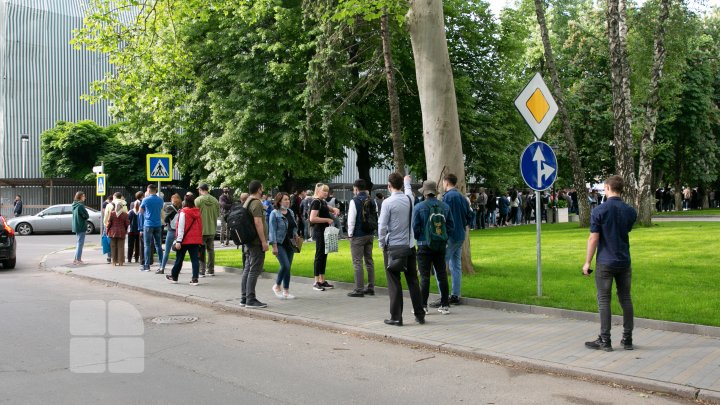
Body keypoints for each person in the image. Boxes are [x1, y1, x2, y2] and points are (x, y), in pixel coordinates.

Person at [583, 175, 637, 352]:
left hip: (605, 261)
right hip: (624, 260)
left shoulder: (599, 210)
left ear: (607, 187)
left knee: (604, 300)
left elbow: (593, 238)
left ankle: (605, 340)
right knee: (626, 298)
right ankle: (627, 339)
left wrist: (587, 262)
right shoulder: (630, 211)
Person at [378, 173, 425, 326]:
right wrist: (407, 182)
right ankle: (420, 314)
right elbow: (409, 191)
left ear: (389, 186)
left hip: (393, 248)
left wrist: (381, 244)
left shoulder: (387, 203)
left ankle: (396, 317)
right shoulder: (409, 199)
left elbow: (382, 226)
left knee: (394, 282)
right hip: (410, 245)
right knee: (413, 280)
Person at [413, 180, 453, 315]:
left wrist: (421, 237)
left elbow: (415, 227)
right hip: (440, 245)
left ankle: (423, 306)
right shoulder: (445, 207)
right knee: (441, 275)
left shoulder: (419, 207)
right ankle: (445, 305)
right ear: (435, 192)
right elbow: (450, 226)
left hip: (424, 245)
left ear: (424, 193)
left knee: (424, 276)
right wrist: (443, 238)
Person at [437, 173, 471, 307]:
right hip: (460, 234)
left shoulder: (447, 198)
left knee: (440, 265)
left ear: (445, 182)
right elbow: (470, 215)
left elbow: (443, 217)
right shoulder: (462, 197)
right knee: (455, 265)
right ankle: (455, 295)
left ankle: (443, 297)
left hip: (450, 236)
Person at [240, 180, 270, 308]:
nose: (262, 190)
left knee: (247, 268)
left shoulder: (247, 201)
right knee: (254, 269)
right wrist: (264, 241)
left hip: (248, 240)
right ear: (259, 189)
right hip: (256, 241)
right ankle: (251, 299)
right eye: (262, 188)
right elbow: (258, 222)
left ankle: (244, 297)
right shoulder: (257, 203)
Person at [346, 179, 376, 297]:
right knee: (369, 261)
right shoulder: (371, 200)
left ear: (356, 189)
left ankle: (359, 289)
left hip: (358, 235)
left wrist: (349, 234)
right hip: (369, 233)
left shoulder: (355, 201)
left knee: (357, 261)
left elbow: (351, 220)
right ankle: (370, 287)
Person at [308, 183, 340, 291]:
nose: (326, 193)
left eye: (327, 191)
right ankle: (316, 281)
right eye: (324, 191)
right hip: (320, 231)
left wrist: (334, 209)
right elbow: (312, 218)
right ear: (318, 191)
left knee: (324, 254)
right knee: (319, 255)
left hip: (325, 231)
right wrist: (327, 220)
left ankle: (322, 280)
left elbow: (327, 207)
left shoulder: (322, 201)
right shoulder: (316, 202)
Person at [166, 194, 203, 285]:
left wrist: (178, 241)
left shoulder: (183, 212)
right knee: (195, 259)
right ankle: (195, 279)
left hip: (184, 240)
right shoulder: (197, 212)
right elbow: (200, 227)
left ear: (184, 202)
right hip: (195, 240)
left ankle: (174, 277)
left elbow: (181, 227)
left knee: (179, 259)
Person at [268, 193, 298, 300]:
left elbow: (294, 226)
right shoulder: (274, 214)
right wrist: (274, 246)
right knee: (285, 265)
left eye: (288, 199)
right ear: (279, 201)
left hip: (290, 243)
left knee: (288, 268)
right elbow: (272, 231)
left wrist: (295, 234)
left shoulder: (290, 212)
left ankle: (286, 291)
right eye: (285, 199)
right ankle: (277, 285)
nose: (288, 201)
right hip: (279, 243)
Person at [195, 184, 220, 277]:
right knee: (211, 250)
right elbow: (218, 214)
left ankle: (202, 271)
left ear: (201, 190)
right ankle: (211, 270)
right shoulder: (215, 200)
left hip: (201, 229)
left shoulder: (198, 200)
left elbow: (194, 214)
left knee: (201, 250)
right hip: (212, 228)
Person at [139, 184, 164, 272]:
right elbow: (161, 210)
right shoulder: (160, 200)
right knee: (158, 245)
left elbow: (140, 212)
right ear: (155, 190)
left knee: (147, 245)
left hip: (148, 224)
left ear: (148, 190)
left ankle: (147, 266)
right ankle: (161, 264)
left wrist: (146, 214)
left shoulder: (145, 200)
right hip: (158, 224)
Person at [158, 193, 182, 273]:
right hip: (179, 232)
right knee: (178, 250)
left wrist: (167, 222)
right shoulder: (181, 208)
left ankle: (162, 268)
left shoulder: (169, 208)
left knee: (167, 250)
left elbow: (165, 219)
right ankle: (177, 268)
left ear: (172, 199)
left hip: (171, 230)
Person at [106, 195, 129, 266]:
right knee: (121, 247)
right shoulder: (125, 214)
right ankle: (121, 262)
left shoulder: (112, 213)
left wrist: (107, 231)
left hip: (112, 232)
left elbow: (109, 223)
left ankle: (114, 262)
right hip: (121, 232)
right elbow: (127, 224)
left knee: (113, 247)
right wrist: (125, 230)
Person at [71, 192, 89, 265]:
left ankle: (76, 259)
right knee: (80, 243)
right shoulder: (80, 206)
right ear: (80, 197)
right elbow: (86, 215)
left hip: (76, 226)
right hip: (81, 226)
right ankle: (78, 259)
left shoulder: (74, 205)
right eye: (84, 196)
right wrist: (86, 214)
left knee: (79, 242)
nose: (85, 197)